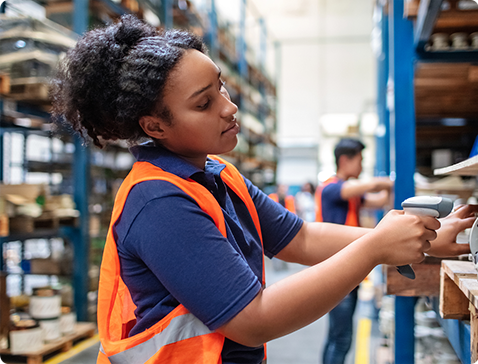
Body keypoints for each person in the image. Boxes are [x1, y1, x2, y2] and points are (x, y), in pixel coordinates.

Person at [50, 15, 478, 364]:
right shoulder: (158, 203)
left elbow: (301, 237)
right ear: (155, 126)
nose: (228, 106)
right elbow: (252, 319)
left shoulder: (218, 175)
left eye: (220, 86)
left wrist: (422, 240)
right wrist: (374, 249)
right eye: (204, 103)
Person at [316, 138, 392, 364]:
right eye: (360, 160)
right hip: (336, 273)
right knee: (341, 339)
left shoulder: (351, 193)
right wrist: (386, 181)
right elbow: (362, 188)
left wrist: (391, 189)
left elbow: (378, 201)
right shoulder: (330, 188)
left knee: (337, 337)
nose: (361, 165)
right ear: (344, 160)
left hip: (349, 270)